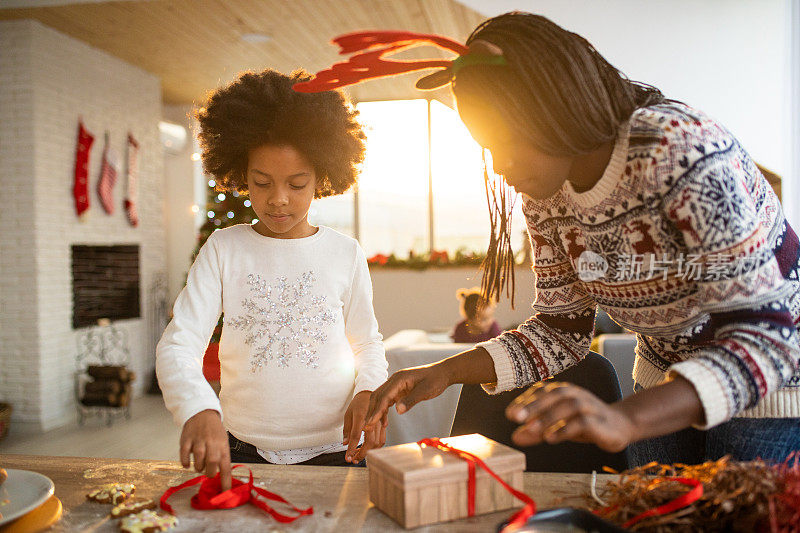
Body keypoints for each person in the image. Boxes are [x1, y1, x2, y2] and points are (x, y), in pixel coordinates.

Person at [299, 12, 800, 465]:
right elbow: (560, 331)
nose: (500, 166)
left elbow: (767, 338)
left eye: (506, 143)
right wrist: (443, 372)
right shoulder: (545, 194)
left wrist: (624, 419)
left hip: (770, 392)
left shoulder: (677, 149)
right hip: (665, 380)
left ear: (557, 110)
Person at [156, 69, 388, 491]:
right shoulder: (223, 249)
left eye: (297, 183)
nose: (278, 198)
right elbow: (179, 343)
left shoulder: (345, 253)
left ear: (323, 177)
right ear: (241, 173)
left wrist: (368, 390)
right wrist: (197, 407)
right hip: (239, 450)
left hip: (337, 451)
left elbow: (367, 342)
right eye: (261, 182)